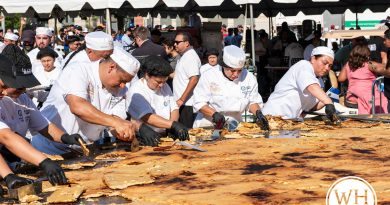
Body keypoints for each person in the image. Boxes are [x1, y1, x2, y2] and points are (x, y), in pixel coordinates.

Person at [32, 47, 140, 155]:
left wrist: (122, 130)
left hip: (82, 150)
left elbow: (114, 120)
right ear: (111, 67)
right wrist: (115, 122)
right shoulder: (78, 70)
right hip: (48, 147)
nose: (123, 85)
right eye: (122, 80)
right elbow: (77, 106)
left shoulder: (121, 90)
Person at [0, 54, 76, 187]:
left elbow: (43, 125)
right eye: (17, 85)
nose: (23, 89)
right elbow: (6, 137)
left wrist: (65, 138)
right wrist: (43, 161)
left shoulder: (23, 98)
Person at [193, 45, 269, 130]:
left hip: (235, 123)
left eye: (239, 70)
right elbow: (199, 103)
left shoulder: (249, 78)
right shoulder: (209, 76)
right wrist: (214, 114)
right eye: (232, 70)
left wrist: (258, 113)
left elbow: (252, 101)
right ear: (223, 66)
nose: (236, 74)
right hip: (208, 123)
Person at [262, 46, 339, 121]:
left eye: (330, 66)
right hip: (272, 116)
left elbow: (312, 106)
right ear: (313, 59)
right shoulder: (303, 66)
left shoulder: (319, 81)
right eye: (324, 63)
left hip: (289, 120)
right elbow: (311, 86)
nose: (327, 68)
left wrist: (329, 100)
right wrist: (328, 101)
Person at [128, 56, 189, 146]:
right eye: (158, 82)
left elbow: (174, 108)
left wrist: (172, 125)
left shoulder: (165, 86)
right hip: (146, 137)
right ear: (147, 75)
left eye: (164, 81)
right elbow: (147, 116)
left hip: (164, 134)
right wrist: (172, 124)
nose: (161, 85)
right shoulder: (137, 90)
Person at [337, 44, 387, 114]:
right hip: (368, 95)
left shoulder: (348, 64)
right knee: (382, 99)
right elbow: (386, 70)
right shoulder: (369, 64)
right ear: (366, 55)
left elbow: (340, 79)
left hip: (351, 96)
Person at [173, 32, 201, 128]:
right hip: (182, 103)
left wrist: (182, 99)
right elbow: (179, 76)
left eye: (177, 42)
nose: (175, 44)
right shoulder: (184, 56)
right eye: (174, 42)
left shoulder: (190, 56)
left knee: (186, 134)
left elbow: (194, 78)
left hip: (187, 104)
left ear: (186, 43)